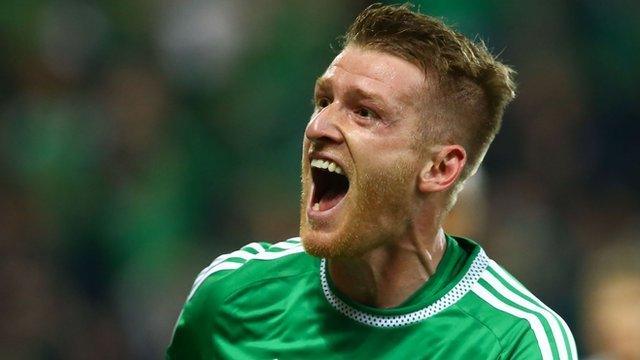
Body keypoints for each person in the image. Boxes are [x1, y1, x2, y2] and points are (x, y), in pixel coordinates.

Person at [167, 4, 577, 359]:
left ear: (439, 169)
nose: (318, 127)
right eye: (324, 101)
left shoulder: (515, 343)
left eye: (365, 113)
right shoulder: (230, 301)